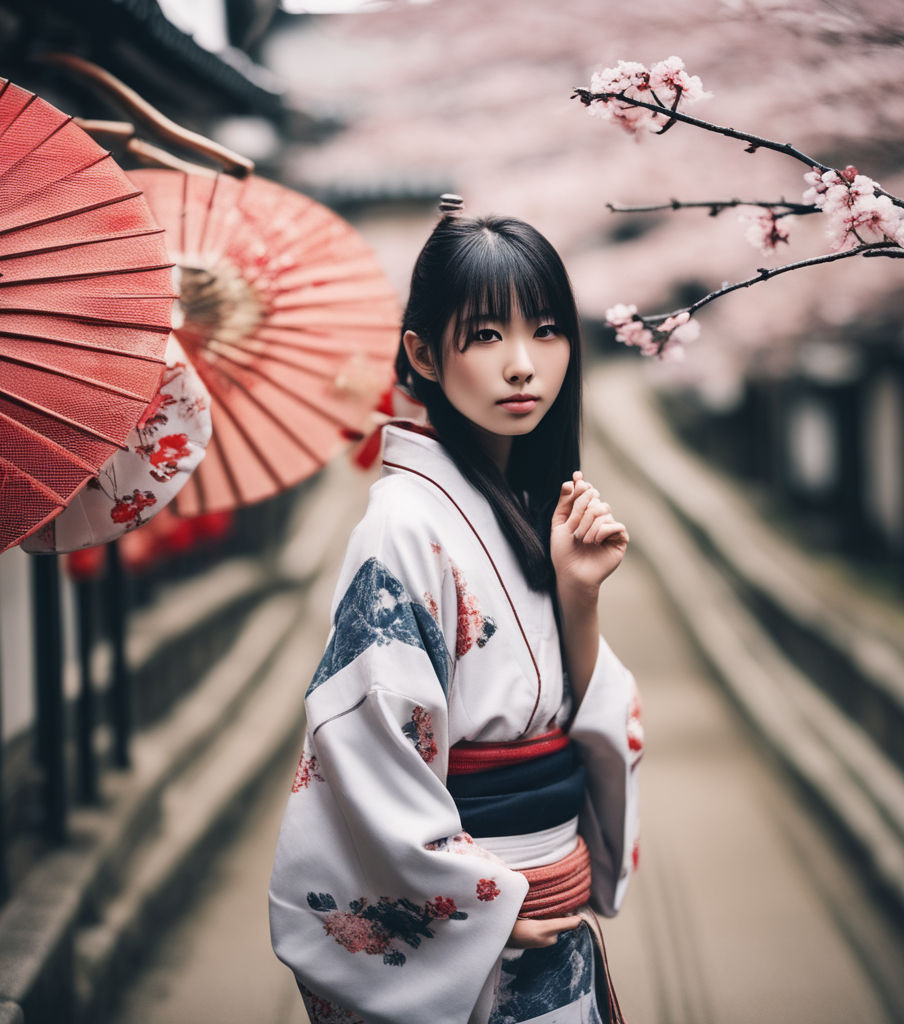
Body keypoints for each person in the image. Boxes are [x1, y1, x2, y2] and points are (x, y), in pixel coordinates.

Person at [268, 202, 642, 1024]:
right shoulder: (402, 525)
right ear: (422, 354)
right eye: (484, 336)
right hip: (486, 922)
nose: (522, 366)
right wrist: (488, 901)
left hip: (550, 911)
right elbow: (367, 758)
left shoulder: (525, 503)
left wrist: (578, 598)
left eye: (546, 331)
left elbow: (578, 714)